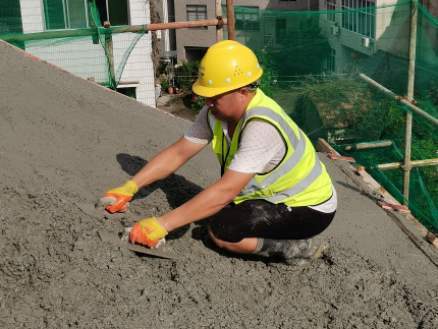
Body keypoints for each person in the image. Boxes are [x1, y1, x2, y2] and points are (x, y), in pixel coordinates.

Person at [101, 40, 336, 263]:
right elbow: (179, 153)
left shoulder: (262, 126)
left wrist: (162, 225)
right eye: (206, 95)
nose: (207, 102)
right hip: (271, 196)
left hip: (309, 207)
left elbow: (226, 190)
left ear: (243, 90)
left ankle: (300, 249)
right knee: (216, 211)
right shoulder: (214, 112)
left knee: (222, 231)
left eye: (215, 96)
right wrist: (130, 187)